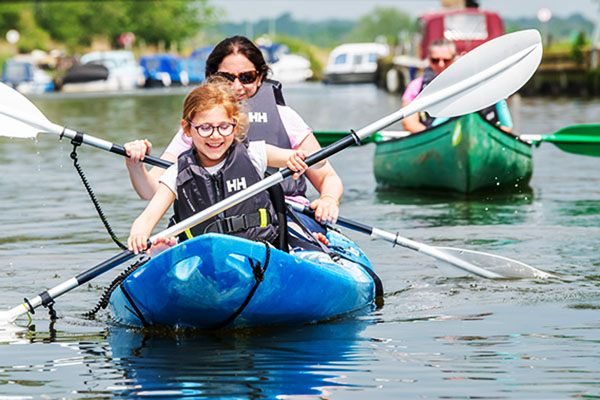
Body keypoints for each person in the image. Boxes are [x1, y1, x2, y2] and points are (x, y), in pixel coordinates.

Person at [125, 35, 342, 226]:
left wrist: (328, 200)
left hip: (288, 215)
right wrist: (135, 164)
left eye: (246, 77)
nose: (237, 87)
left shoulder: (285, 117)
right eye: (227, 78)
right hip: (215, 222)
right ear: (211, 76)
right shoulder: (199, 128)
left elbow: (327, 176)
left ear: (259, 77)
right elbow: (152, 191)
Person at [128, 80, 325, 255]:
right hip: (204, 257)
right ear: (187, 129)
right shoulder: (177, 173)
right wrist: (139, 233)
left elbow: (317, 161)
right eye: (205, 127)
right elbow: (146, 219)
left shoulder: (254, 154)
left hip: (258, 251)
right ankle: (164, 253)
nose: (215, 136)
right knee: (179, 253)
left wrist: (297, 159)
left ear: (235, 125)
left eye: (223, 126)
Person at [401, 38, 513, 133]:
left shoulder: (469, 84)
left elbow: (507, 127)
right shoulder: (416, 86)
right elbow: (408, 123)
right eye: (435, 60)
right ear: (429, 60)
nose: (441, 64)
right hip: (435, 137)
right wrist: (435, 137)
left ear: (454, 59)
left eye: (446, 60)